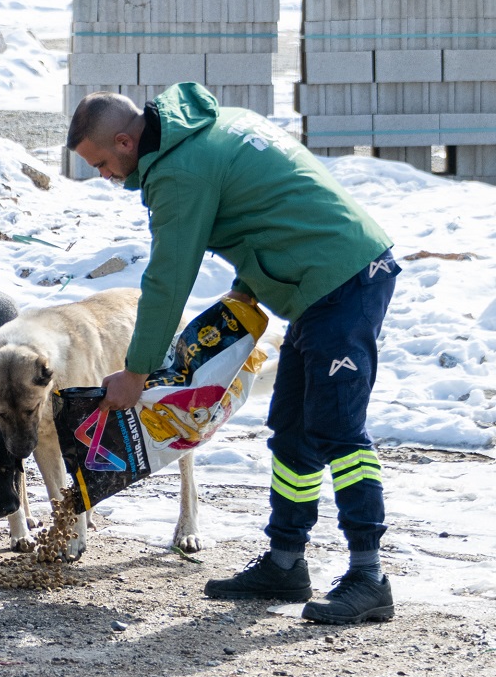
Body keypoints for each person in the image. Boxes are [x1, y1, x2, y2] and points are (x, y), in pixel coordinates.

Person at [67, 82, 400, 625]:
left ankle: (370, 576)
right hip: (320, 282)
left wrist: (137, 371)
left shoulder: (179, 172)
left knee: (339, 428)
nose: (103, 176)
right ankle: (286, 562)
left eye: (101, 162)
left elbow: (168, 278)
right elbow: (270, 207)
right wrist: (246, 289)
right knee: (291, 426)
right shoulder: (212, 128)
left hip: (344, 280)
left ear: (126, 142)